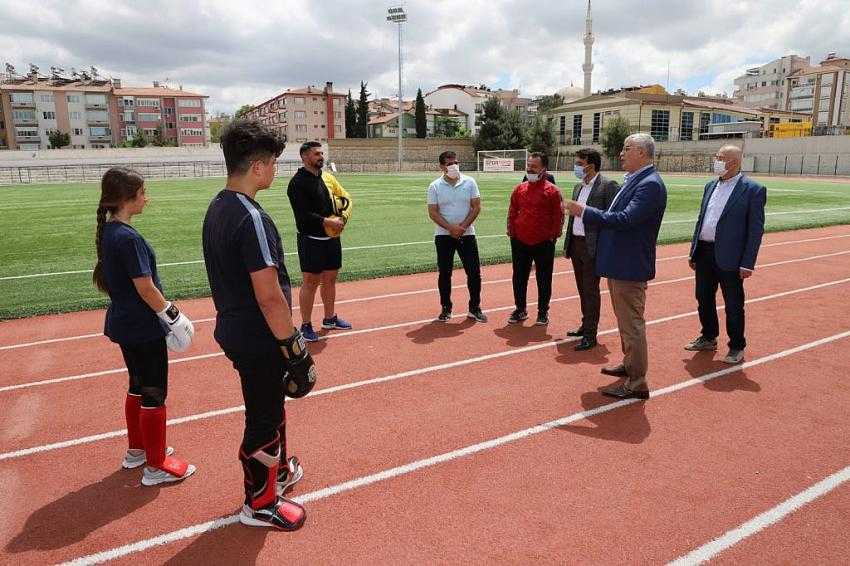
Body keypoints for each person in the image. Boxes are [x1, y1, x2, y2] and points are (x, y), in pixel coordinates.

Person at [203, 120, 316, 530]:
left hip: (236, 327)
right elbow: (269, 295)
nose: (275, 171)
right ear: (257, 167)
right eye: (272, 163)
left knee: (270, 405)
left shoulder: (218, 205)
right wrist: (294, 347)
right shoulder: (250, 216)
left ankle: (279, 473)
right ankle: (260, 502)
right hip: (257, 336)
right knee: (263, 416)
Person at [92, 166, 196, 486]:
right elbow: (146, 287)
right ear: (127, 199)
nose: (146, 199)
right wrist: (172, 314)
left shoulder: (110, 232)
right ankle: (156, 464)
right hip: (142, 326)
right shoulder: (128, 238)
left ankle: (138, 450)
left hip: (124, 323)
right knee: (154, 391)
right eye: (142, 194)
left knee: (137, 385)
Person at [565, 133, 667, 400]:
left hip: (629, 264)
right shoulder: (635, 180)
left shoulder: (650, 184)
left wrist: (584, 211)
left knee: (632, 323)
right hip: (620, 262)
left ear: (643, 154)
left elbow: (625, 218)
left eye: (627, 148)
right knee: (625, 321)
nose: (621, 153)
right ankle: (630, 365)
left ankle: (637, 383)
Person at [685, 145, 766, 364]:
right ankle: (708, 336)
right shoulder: (710, 186)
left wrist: (748, 263)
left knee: (733, 303)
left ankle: (736, 346)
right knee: (703, 297)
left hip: (731, 256)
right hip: (704, 252)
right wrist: (694, 250)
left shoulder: (753, 190)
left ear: (734, 162)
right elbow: (701, 220)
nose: (716, 161)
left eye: (721, 158)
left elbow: (755, 230)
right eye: (717, 157)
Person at [288, 141, 352, 342]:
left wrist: (340, 218)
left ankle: (329, 318)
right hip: (310, 239)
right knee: (310, 282)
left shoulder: (324, 178)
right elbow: (303, 215)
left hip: (331, 238)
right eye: (316, 154)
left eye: (321, 153)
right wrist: (327, 221)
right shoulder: (297, 183)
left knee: (331, 279)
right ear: (304, 157)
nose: (321, 157)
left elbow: (342, 200)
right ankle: (306, 324)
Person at [563, 148, 620, 351]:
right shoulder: (578, 187)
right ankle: (585, 325)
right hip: (577, 244)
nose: (576, 167)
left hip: (593, 246)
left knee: (590, 290)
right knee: (582, 289)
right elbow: (574, 216)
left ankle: (590, 334)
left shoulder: (607, 186)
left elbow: (612, 216)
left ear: (591, 165)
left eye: (579, 163)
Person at [427, 150, 487, 323]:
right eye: (449, 163)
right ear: (441, 166)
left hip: (467, 234)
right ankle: (446, 308)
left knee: (474, 272)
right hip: (443, 236)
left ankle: (474, 308)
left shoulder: (470, 182)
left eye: (455, 162)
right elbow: (432, 212)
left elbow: (476, 206)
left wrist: (462, 226)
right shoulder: (435, 186)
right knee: (445, 273)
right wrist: (450, 228)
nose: (453, 166)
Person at [506, 152, 564, 326]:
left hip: (543, 242)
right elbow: (512, 211)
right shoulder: (519, 188)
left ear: (543, 169)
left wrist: (553, 236)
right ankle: (520, 309)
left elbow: (559, 215)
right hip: (520, 241)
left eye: (534, 166)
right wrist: (511, 231)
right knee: (519, 277)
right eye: (528, 165)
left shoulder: (553, 191)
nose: (529, 169)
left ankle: (542, 311)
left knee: (544, 278)